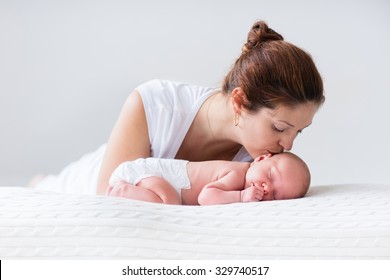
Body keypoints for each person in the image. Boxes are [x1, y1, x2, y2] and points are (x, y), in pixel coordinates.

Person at [32, 20, 324, 196]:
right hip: (85, 179)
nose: (287, 145)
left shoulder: (263, 165)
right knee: (46, 188)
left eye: (299, 132)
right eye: (280, 128)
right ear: (239, 101)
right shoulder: (154, 104)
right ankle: (41, 181)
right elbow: (109, 197)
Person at [105, 152, 311, 205]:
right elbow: (206, 197)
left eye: (275, 195)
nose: (267, 188)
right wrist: (240, 197)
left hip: (154, 177)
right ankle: (121, 190)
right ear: (261, 159)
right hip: (147, 173)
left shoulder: (244, 175)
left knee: (169, 201)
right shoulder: (237, 174)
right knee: (169, 203)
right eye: (271, 175)